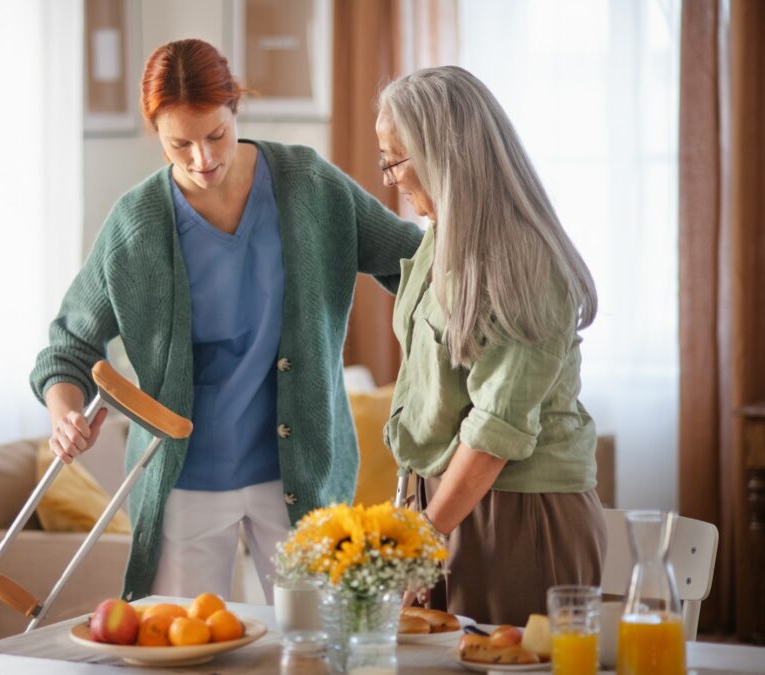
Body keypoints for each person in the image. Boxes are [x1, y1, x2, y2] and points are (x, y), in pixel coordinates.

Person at [30, 39, 422, 603]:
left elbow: (412, 261)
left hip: (300, 474)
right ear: (155, 134)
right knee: (186, 648)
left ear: (236, 107)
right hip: (184, 482)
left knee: (317, 648)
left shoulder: (308, 184)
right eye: (178, 144)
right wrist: (65, 414)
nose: (201, 160)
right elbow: (66, 348)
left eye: (215, 135)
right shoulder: (135, 225)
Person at [376, 66, 606, 626]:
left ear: (442, 154)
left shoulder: (526, 262)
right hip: (448, 506)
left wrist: (426, 533)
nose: (389, 179)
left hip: (520, 515)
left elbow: (495, 429)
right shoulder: (439, 237)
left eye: (394, 159)